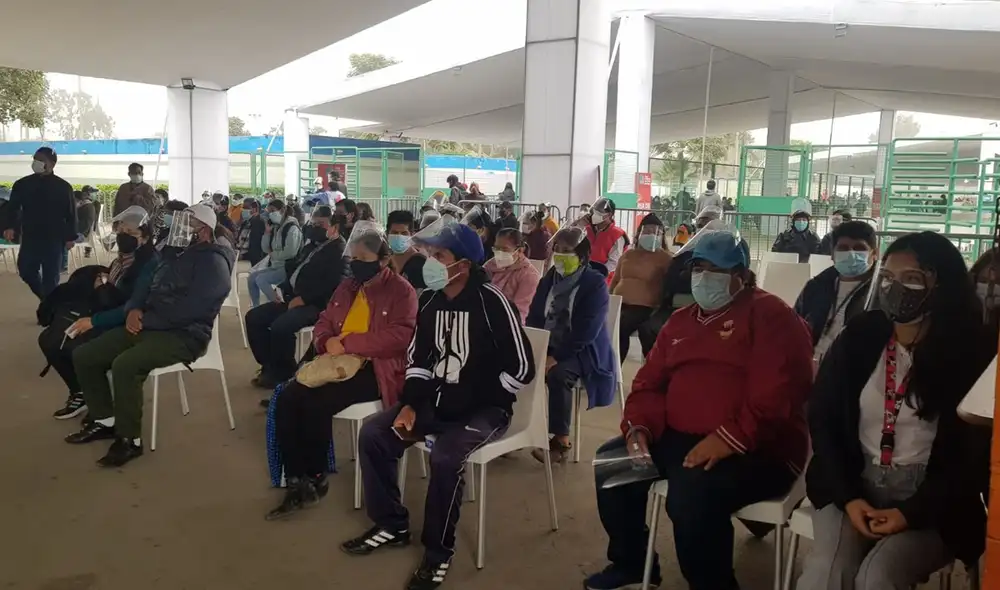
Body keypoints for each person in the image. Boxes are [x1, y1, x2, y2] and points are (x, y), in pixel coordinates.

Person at [584, 228, 814, 590]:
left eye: (714, 269)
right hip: (680, 437)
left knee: (690, 496)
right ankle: (632, 563)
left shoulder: (771, 315)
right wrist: (639, 428)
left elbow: (781, 391)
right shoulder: (681, 322)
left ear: (740, 276)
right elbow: (649, 383)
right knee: (613, 466)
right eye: (698, 267)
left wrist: (730, 439)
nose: (703, 277)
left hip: (760, 447)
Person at [341, 220, 535, 590]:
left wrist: (482, 398)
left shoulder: (493, 303)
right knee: (375, 433)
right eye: (429, 253)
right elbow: (418, 361)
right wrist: (412, 403)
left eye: (439, 255)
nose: (430, 261)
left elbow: (522, 367)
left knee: (446, 456)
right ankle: (391, 524)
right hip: (434, 403)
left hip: (484, 410)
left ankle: (437, 553)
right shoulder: (429, 301)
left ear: (462, 264)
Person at [798, 231, 991, 590]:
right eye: (887, 277)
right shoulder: (862, 335)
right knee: (828, 572)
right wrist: (849, 498)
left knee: (879, 576)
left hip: (932, 499)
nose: (894, 288)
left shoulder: (970, 354)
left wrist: (910, 514)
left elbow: (971, 458)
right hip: (853, 483)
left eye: (912, 279)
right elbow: (823, 418)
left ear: (942, 286)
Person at [265, 223, 418, 519]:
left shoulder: (401, 291)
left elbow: (401, 336)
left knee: (317, 403)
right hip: (335, 360)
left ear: (384, 260)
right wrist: (325, 339)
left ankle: (317, 475)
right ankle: (297, 479)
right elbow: (325, 320)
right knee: (288, 396)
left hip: (376, 367)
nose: (356, 265)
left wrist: (348, 342)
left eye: (363, 259)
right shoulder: (348, 286)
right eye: (354, 259)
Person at [64, 204, 234, 467]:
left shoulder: (214, 262)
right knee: (85, 355)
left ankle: (129, 441)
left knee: (125, 366)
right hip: (149, 325)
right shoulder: (172, 253)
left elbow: (194, 309)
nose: (179, 229)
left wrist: (147, 318)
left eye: (187, 224)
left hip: (184, 336)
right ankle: (105, 420)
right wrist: (134, 309)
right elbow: (144, 288)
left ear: (203, 231)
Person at [41, 206, 159, 419]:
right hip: (106, 311)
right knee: (49, 339)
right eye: (121, 231)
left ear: (145, 237)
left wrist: (95, 319)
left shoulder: (148, 264)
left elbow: (133, 305)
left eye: (131, 233)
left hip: (126, 322)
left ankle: (97, 402)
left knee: (74, 346)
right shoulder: (124, 258)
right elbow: (115, 287)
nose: (123, 236)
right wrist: (103, 283)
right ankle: (80, 392)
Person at [527, 227, 616, 463]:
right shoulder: (549, 279)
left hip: (582, 350)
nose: (560, 256)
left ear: (582, 256)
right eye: (557, 250)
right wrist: (537, 346)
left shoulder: (594, 284)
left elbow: (586, 330)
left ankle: (560, 440)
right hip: (549, 343)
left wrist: (554, 357)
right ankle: (511, 429)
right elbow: (535, 315)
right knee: (513, 364)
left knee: (558, 375)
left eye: (567, 251)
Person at [246, 206, 348, 392]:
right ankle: (270, 367)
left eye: (322, 225)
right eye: (314, 223)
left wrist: (304, 299)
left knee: (280, 327)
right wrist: (282, 288)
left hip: (317, 304)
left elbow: (334, 285)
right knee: (254, 317)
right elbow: (295, 270)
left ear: (335, 228)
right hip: (294, 297)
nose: (316, 227)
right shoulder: (313, 246)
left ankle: (285, 378)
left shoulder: (340, 250)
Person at [794, 220, 877, 361]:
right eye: (843, 248)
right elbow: (794, 328)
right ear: (832, 254)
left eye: (859, 248)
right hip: (809, 365)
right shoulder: (816, 286)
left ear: (874, 254)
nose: (851, 254)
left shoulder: (881, 293)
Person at [1, 147, 76, 299]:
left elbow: (71, 214)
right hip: (30, 235)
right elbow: (13, 208)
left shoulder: (63, 187)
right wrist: (9, 226)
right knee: (26, 270)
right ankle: (47, 301)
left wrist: (70, 236)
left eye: (42, 160)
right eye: (35, 159)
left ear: (52, 164)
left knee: (51, 277)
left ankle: (49, 312)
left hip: (54, 237)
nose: (37, 163)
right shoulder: (22, 184)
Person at [610, 213, 673, 361]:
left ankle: (614, 369)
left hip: (644, 307)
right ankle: (606, 369)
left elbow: (669, 286)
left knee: (620, 326)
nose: (651, 234)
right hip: (618, 303)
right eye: (647, 231)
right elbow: (615, 280)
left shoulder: (666, 259)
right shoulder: (628, 255)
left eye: (656, 231)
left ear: (662, 235)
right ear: (639, 233)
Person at [249, 199, 302, 307]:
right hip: (276, 265)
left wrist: (272, 254)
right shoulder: (276, 227)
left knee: (261, 280)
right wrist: (267, 233)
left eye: (273, 210)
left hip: (287, 267)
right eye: (269, 211)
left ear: (282, 210)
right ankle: (255, 306)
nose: (271, 214)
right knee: (252, 278)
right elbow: (265, 249)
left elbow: (290, 253)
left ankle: (277, 305)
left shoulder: (292, 228)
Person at [484, 228, 540, 323]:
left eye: (504, 249)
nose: (499, 253)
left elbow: (520, 311)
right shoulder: (489, 266)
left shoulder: (529, 275)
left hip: (508, 324)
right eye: (496, 248)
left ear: (520, 250)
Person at [584, 197, 628, 277]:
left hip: (603, 278)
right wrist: (579, 224)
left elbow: (613, 263)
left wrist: (597, 274)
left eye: (599, 212)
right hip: (584, 273)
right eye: (594, 211)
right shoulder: (587, 229)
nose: (594, 215)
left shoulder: (617, 235)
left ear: (609, 215)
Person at [387, 210, 426, 289]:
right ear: (387, 233)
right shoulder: (385, 261)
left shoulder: (420, 264)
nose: (399, 236)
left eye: (404, 233)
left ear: (412, 235)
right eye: (394, 233)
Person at [237, 198, 267, 266]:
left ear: (255, 209)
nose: (243, 210)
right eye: (243, 207)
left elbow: (255, 246)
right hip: (242, 255)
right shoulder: (247, 221)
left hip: (252, 260)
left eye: (246, 207)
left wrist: (243, 256)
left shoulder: (259, 223)